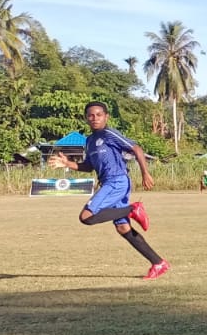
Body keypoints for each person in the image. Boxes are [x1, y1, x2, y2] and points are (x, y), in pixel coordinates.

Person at [45, 101, 169, 280]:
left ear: (106, 117)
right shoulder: (89, 141)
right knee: (123, 228)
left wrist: (145, 173)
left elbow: (136, 148)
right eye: (91, 115)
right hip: (108, 183)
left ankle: (134, 209)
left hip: (117, 181)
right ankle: (158, 263)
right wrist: (67, 163)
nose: (94, 118)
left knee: (86, 217)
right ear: (86, 118)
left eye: (99, 115)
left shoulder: (108, 134)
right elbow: (88, 166)